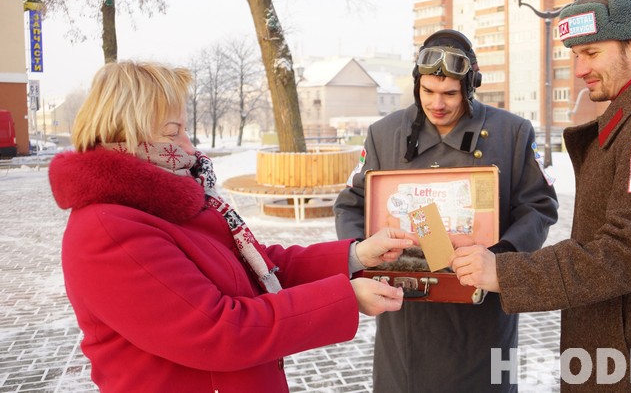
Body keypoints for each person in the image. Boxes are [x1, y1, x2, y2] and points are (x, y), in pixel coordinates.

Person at [48, 61, 416, 393]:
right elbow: (220, 331)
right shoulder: (108, 230)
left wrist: (355, 254)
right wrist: (344, 299)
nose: (189, 147)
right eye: (173, 131)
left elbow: (259, 267)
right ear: (125, 133)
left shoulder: (169, 202)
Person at [451, 0, 631, 392]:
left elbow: (627, 253)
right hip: (622, 346)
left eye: (592, 53)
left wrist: (504, 272)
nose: (579, 70)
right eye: (576, 55)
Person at [334, 29, 559, 392]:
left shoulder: (512, 133)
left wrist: (500, 257)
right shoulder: (383, 133)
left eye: (450, 93)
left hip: (481, 311)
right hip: (406, 312)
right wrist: (364, 255)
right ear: (416, 85)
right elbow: (350, 204)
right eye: (428, 92)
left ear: (470, 87)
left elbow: (538, 206)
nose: (437, 104)